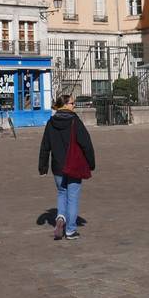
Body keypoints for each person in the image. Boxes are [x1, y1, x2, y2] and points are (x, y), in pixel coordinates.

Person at [39, 94, 95, 241]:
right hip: (73, 165)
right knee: (73, 197)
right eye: (72, 103)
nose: (74, 106)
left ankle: (61, 216)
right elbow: (86, 143)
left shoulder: (51, 122)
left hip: (57, 166)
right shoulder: (74, 121)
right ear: (65, 105)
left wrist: (42, 166)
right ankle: (70, 230)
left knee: (62, 192)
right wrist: (91, 163)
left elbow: (45, 146)